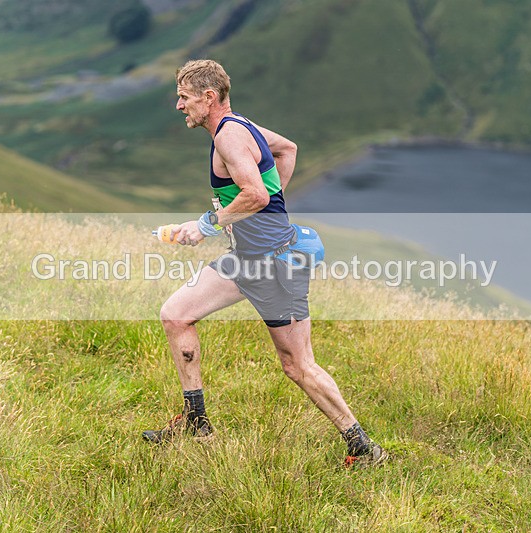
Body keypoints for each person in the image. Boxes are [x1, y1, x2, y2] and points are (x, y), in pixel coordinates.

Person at [142, 59, 386, 467]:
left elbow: (254, 193)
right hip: (245, 262)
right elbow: (287, 149)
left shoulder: (229, 138)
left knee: (298, 366)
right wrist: (271, 206)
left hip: (274, 268)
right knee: (175, 315)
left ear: (209, 97)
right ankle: (196, 422)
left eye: (184, 98)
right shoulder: (240, 125)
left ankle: (364, 448)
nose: (179, 106)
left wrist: (207, 225)